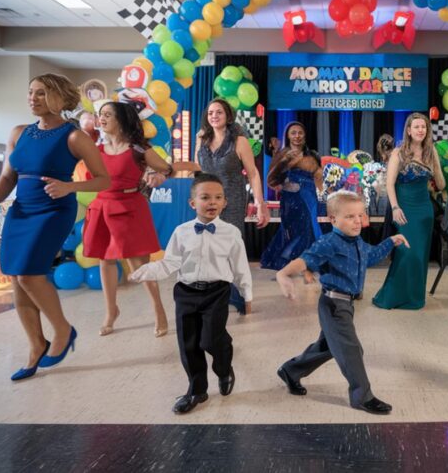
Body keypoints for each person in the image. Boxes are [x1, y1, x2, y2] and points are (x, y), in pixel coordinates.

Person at [0, 74, 110, 381]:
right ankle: (36, 345)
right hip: (21, 210)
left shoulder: (74, 136)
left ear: (60, 98)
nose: (32, 99)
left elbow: (104, 179)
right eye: (31, 93)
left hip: (53, 210)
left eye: (41, 93)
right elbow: (8, 177)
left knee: (28, 275)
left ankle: (63, 330)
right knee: (16, 278)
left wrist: (69, 186)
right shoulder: (19, 133)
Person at [129, 173, 252, 414]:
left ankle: (224, 367)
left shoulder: (231, 233)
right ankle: (197, 390)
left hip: (217, 292)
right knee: (188, 344)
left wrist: (247, 295)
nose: (212, 202)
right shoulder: (182, 232)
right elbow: (169, 263)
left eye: (218, 197)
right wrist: (145, 271)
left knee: (211, 339)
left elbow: (240, 267)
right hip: (186, 292)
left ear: (225, 203)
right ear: (192, 203)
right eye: (205, 197)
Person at [275, 191, 408, 414]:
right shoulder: (329, 243)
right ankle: (362, 397)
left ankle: (291, 371)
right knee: (351, 350)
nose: (357, 221)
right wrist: (283, 274)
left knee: (327, 347)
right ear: (333, 219)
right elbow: (306, 259)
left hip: (347, 305)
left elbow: (371, 256)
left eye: (360, 215)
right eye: (350, 217)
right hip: (334, 305)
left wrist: (391, 242)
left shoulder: (357, 242)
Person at [84, 101, 199, 338]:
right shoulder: (96, 150)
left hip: (130, 208)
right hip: (103, 207)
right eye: (100, 115)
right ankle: (110, 311)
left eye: (107, 115)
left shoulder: (139, 150)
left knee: (142, 266)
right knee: (105, 261)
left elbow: (167, 169)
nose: (102, 119)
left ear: (122, 120)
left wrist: (158, 176)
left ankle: (158, 309)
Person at [195, 99, 270, 314]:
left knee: (228, 249)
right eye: (210, 112)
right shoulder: (201, 138)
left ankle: (238, 294)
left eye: (219, 112)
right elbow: (197, 170)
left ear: (228, 116)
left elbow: (253, 174)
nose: (214, 116)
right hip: (206, 201)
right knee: (206, 248)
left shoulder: (239, 141)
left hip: (232, 201)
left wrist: (259, 203)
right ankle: (218, 294)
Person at [372, 113, 445, 310]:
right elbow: (389, 183)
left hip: (424, 211)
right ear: (409, 130)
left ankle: (415, 297)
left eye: (424, 127)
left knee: (420, 254)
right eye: (417, 127)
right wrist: (395, 207)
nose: (421, 130)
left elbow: (441, 184)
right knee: (406, 252)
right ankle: (393, 296)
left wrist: (437, 165)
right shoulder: (399, 153)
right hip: (403, 207)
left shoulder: (431, 153)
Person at [261, 122, 322, 271]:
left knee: (308, 228)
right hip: (291, 199)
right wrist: (285, 183)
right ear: (288, 135)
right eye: (293, 133)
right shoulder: (283, 155)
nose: (297, 136)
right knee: (290, 229)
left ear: (305, 135)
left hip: (310, 197)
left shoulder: (312, 154)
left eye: (300, 132)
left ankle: (306, 261)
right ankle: (288, 260)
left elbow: (319, 176)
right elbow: (271, 179)